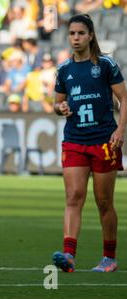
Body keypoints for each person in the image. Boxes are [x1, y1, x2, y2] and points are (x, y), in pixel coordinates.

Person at [52, 14, 127, 273]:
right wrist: (60, 107)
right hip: (74, 140)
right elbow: (56, 103)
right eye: (72, 33)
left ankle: (109, 257)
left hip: (103, 140)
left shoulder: (106, 65)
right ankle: (69, 254)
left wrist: (120, 129)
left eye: (80, 33)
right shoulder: (64, 69)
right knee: (73, 197)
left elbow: (124, 98)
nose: (75, 38)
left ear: (91, 35)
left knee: (104, 201)